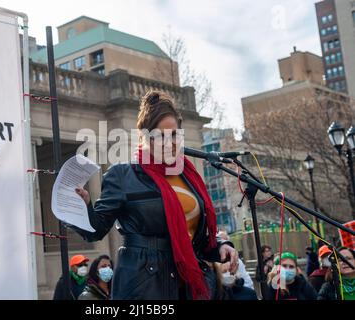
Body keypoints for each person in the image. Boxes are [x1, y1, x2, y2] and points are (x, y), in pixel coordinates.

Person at [72, 90, 238, 300]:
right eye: (160, 136)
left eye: (175, 135)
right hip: (144, 287)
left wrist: (221, 246)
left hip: (187, 285)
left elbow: (195, 237)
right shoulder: (123, 175)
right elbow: (95, 230)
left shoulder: (188, 176)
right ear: (144, 137)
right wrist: (82, 205)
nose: (170, 143)